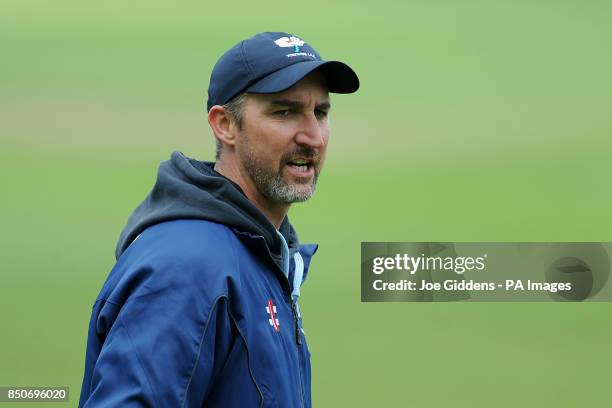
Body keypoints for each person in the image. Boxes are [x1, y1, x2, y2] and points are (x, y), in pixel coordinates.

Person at [78, 31, 359, 407]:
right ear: (225, 125)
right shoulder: (188, 269)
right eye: (285, 112)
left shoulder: (261, 252)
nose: (313, 137)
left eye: (320, 113)